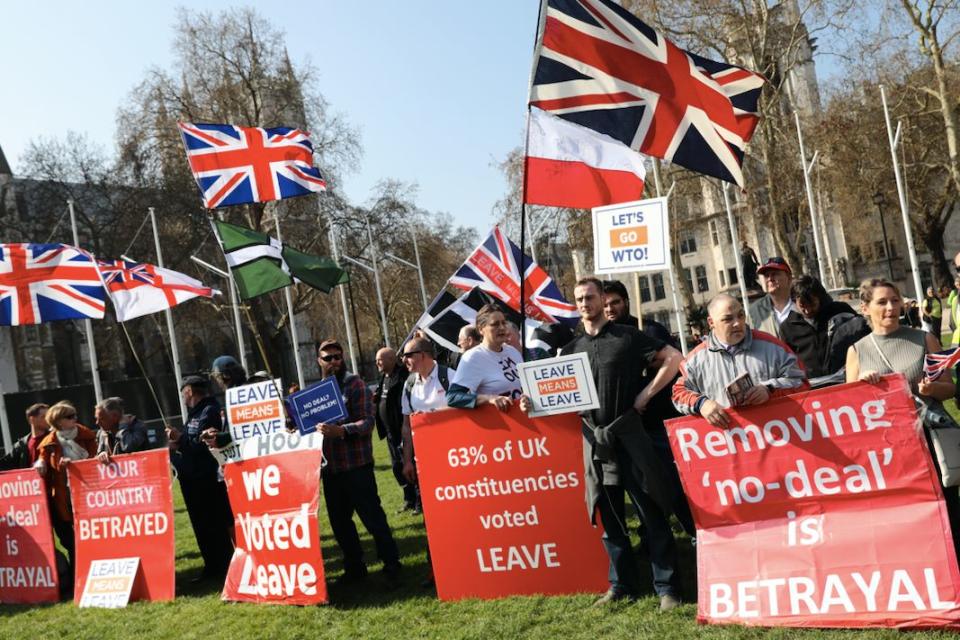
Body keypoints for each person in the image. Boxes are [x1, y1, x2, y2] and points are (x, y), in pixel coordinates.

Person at [543, 277, 684, 610]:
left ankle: (668, 588)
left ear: (601, 298)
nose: (584, 303)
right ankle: (622, 585)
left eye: (589, 297)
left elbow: (674, 358)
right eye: (578, 299)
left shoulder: (629, 337)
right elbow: (555, 397)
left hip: (630, 436)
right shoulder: (571, 349)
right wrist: (531, 403)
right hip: (594, 441)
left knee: (650, 512)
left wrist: (645, 395)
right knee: (610, 517)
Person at [846, 278, 960, 551]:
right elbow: (849, 411)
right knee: (909, 519)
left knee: (949, 512)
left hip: (931, 443)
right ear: (865, 308)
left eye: (894, 300)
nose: (890, 307)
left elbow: (951, 389)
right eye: (881, 302)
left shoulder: (924, 339)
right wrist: (862, 385)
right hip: (889, 452)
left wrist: (932, 388)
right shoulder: (857, 351)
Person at [315, 339, 402, 585]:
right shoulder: (318, 391)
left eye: (337, 356)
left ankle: (391, 562)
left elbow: (368, 422)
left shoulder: (355, 385)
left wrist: (341, 431)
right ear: (319, 361)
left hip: (357, 467)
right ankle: (355, 567)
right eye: (328, 358)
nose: (334, 361)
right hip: (331, 470)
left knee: (372, 518)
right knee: (340, 524)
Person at [673, 294, 809, 427]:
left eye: (741, 315)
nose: (737, 323)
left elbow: (801, 381)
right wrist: (702, 404)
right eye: (728, 319)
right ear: (711, 323)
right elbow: (678, 394)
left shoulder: (773, 346)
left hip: (779, 437)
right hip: (728, 443)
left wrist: (770, 389)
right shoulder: (695, 360)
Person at [399, 336, 455, 587]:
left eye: (408, 355)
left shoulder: (450, 375)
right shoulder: (409, 384)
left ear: (423, 355)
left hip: (456, 457)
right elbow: (406, 425)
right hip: (426, 463)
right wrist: (407, 460)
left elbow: (466, 409)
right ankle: (437, 569)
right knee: (432, 517)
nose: (405, 360)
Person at [167, 376, 234, 581]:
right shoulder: (197, 412)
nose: (184, 398)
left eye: (183, 393)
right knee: (202, 526)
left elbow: (202, 443)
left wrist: (181, 439)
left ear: (189, 391)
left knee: (213, 525)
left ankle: (222, 565)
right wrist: (180, 439)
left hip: (206, 477)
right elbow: (192, 440)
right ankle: (212, 565)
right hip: (193, 477)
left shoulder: (209, 410)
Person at [36, 401, 97, 580]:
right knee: (70, 541)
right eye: (70, 417)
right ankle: (78, 575)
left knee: (91, 534)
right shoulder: (48, 444)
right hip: (64, 497)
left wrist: (78, 465)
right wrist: (41, 464)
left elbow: (94, 460)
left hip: (89, 493)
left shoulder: (87, 436)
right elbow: (42, 461)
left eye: (75, 415)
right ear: (59, 422)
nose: (75, 419)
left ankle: (95, 569)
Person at [779, 275, 859, 380]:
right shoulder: (787, 327)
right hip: (811, 386)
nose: (808, 311)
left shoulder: (841, 311)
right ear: (794, 301)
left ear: (820, 298)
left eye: (812, 304)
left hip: (845, 378)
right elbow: (787, 361)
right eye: (802, 306)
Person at [446, 305, 523, 411]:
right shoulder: (473, 357)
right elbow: (452, 397)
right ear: (481, 329)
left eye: (503, 322)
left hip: (523, 421)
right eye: (495, 324)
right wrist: (488, 399)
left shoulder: (513, 352)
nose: (501, 327)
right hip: (497, 423)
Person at [373, 347, 415, 513]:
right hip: (389, 433)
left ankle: (419, 501)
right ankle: (408, 498)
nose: (377, 363)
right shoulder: (383, 377)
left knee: (409, 465)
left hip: (402, 430)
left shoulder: (403, 376)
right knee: (397, 467)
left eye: (380, 360)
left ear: (391, 360)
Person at [93, 397, 155, 462]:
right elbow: (97, 455)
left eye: (102, 419)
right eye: (96, 419)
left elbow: (128, 447)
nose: (97, 423)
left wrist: (123, 427)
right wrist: (101, 454)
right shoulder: (102, 432)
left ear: (115, 416)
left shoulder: (137, 426)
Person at [748, 257, 794, 338]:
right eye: (766, 275)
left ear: (789, 278)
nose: (770, 278)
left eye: (775, 274)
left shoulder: (803, 304)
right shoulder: (755, 311)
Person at [0, 403, 49, 471]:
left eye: (49, 416)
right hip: (31, 480)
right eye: (44, 416)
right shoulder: (21, 445)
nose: (48, 419)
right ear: (32, 419)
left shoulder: (54, 438)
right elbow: (5, 464)